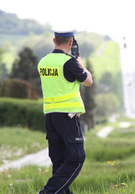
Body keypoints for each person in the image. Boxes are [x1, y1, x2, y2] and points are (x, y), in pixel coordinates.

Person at [37, 27, 93, 194]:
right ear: (71, 42)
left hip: (50, 116)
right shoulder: (69, 62)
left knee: (60, 161)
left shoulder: (43, 62)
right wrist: (80, 63)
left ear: (54, 41)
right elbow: (88, 81)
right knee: (76, 158)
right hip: (67, 116)